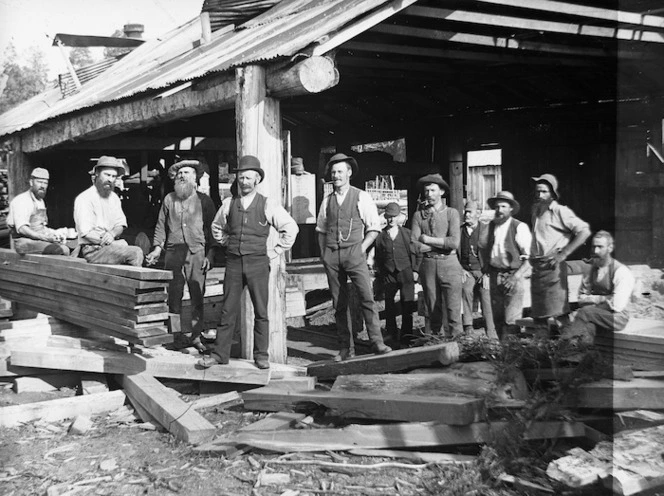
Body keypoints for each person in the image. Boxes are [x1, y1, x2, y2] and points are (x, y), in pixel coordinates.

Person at [198, 155, 298, 370]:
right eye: (241, 177)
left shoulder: (268, 204)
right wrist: (227, 242)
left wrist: (276, 251)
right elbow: (216, 228)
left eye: (249, 178)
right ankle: (219, 354)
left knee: (261, 310)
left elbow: (290, 228)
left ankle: (261, 356)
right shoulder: (228, 204)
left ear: (257, 180)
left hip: (258, 263)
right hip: (233, 263)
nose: (244, 182)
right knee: (228, 309)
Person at [316, 153, 392, 361]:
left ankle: (376, 342)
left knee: (366, 297)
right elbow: (321, 229)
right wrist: (324, 254)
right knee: (339, 303)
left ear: (349, 173)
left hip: (354, 253)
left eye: (340, 171)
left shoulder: (361, 196)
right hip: (332, 255)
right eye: (333, 172)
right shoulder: (327, 200)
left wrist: (361, 249)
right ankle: (345, 348)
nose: (336, 175)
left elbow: (374, 228)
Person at [146, 160, 217, 352]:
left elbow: (214, 229)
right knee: (174, 297)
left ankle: (196, 336)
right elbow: (161, 226)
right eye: (179, 173)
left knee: (197, 296)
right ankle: (176, 336)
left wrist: (211, 253)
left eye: (187, 172)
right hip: (173, 254)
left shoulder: (205, 201)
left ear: (195, 179)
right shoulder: (169, 199)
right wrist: (157, 249)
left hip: (197, 253)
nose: (182, 176)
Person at [530, 174, 591, 333]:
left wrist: (563, 254)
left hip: (553, 269)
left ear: (552, 194)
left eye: (544, 191)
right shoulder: (536, 211)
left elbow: (584, 231)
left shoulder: (560, 211)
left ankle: (568, 350)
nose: (539, 195)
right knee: (539, 316)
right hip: (537, 269)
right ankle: (541, 353)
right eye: (537, 191)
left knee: (559, 313)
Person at [411, 173, 463, 337]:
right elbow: (414, 245)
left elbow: (454, 242)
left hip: (450, 265)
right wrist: (440, 245)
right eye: (427, 191)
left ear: (441, 192)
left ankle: (459, 344)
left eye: (433, 190)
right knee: (432, 308)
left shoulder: (451, 213)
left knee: (453, 308)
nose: (429, 194)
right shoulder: (419, 216)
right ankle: (436, 343)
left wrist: (427, 240)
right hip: (429, 266)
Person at [562, 231, 635, 343]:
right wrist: (603, 298)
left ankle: (563, 348)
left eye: (600, 247)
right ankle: (578, 358)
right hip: (595, 315)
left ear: (610, 248)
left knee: (584, 313)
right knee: (588, 327)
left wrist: (591, 301)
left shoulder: (621, 271)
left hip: (617, 318)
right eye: (594, 247)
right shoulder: (591, 270)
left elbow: (616, 305)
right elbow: (581, 298)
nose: (595, 251)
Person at [74, 156, 144, 266]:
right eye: (107, 175)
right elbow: (86, 233)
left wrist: (112, 233)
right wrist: (109, 242)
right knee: (135, 252)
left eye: (114, 176)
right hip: (92, 251)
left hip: (109, 247)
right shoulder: (85, 198)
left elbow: (120, 225)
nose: (110, 179)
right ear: (97, 173)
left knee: (131, 248)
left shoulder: (114, 198)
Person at [480, 191, 532, 340]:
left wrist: (515, 277)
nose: (499, 210)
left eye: (503, 206)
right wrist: (486, 269)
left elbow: (530, 258)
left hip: (512, 277)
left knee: (511, 321)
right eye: (497, 207)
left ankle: (512, 357)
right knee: (498, 319)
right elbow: (482, 247)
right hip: (495, 276)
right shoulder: (490, 227)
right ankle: (504, 354)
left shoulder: (519, 227)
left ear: (511, 209)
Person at [374, 202, 416, 347]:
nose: (392, 219)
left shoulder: (407, 234)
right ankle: (391, 334)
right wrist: (380, 274)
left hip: (405, 271)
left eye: (394, 216)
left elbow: (414, 254)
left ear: (399, 217)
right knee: (389, 306)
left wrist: (415, 271)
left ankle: (407, 336)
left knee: (407, 304)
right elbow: (378, 257)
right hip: (389, 274)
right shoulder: (380, 236)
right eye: (389, 217)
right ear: (385, 217)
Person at [7, 167, 73, 255]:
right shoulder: (22, 200)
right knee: (62, 250)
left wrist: (56, 233)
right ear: (31, 182)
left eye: (45, 183)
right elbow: (22, 229)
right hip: (23, 242)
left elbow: (40, 227)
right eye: (39, 182)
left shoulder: (40, 201)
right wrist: (44, 238)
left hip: (37, 239)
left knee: (72, 245)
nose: (42, 186)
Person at [459, 200, 497, 339]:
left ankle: (491, 334)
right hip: (467, 272)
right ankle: (468, 328)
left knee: (486, 297)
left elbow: (494, 253)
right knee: (466, 290)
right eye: (465, 211)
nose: (467, 214)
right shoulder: (459, 231)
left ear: (478, 214)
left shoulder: (486, 230)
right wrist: (460, 270)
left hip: (483, 272)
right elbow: (453, 253)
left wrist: (488, 274)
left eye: (470, 212)